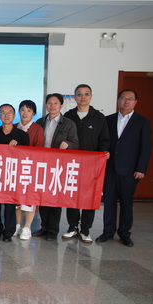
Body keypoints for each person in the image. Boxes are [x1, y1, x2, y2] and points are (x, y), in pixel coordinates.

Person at [97, 89, 152, 247]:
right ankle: (108, 232)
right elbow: (103, 141)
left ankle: (124, 234)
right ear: (118, 100)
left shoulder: (142, 122)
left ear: (135, 102)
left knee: (126, 202)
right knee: (109, 201)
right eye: (123, 98)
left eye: (130, 99)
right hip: (109, 168)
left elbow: (146, 147)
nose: (126, 102)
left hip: (129, 170)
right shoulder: (108, 120)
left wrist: (141, 169)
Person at [62, 84, 110, 244]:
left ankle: (85, 229)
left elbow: (104, 139)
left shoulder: (99, 117)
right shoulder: (68, 116)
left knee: (89, 196)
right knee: (72, 195)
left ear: (91, 96)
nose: (83, 97)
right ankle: (72, 227)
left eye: (86, 94)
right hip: (72, 164)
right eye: (79, 94)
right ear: (75, 97)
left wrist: (104, 152)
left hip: (92, 165)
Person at [34, 93, 79, 241]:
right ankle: (44, 227)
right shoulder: (40, 122)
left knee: (54, 199)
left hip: (58, 166)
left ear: (61, 106)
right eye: (49, 103)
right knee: (42, 198)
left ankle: (53, 231)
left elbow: (75, 143)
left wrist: (68, 144)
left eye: (55, 103)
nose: (52, 106)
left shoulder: (68, 124)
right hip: (42, 164)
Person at [0, 104, 29, 242]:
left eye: (9, 113)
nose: (6, 115)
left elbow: (27, 156)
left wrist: (17, 148)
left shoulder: (22, 135)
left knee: (10, 203)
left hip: (13, 174)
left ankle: (8, 232)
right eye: (3, 113)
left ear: (14, 116)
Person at [14, 99, 45, 240]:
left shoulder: (37, 129)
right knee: (17, 199)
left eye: (28, 110)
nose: (25, 113)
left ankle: (27, 227)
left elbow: (39, 149)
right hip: (16, 169)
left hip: (31, 169)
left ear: (33, 113)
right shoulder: (14, 127)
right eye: (22, 110)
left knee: (30, 198)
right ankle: (18, 225)